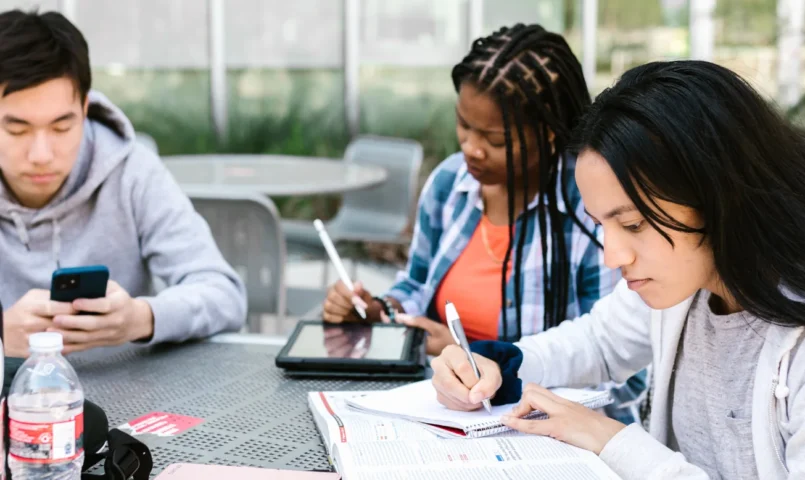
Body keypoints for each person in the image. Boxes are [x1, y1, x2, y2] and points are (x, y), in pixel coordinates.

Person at [430, 59, 805, 479]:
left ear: (718, 193)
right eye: (600, 225)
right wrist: (497, 367)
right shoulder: (689, 280)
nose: (613, 256)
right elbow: (600, 343)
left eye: (633, 224)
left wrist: (611, 440)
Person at [322, 23, 645, 424]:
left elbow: (617, 362)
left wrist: (479, 359)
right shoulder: (449, 185)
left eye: (494, 140)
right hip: (443, 411)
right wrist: (379, 311)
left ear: (548, 133)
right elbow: (418, 285)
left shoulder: (590, 208)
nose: (471, 149)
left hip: (546, 430)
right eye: (464, 125)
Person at [0, 10, 247, 358]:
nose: (41, 154)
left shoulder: (133, 172)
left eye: (61, 127)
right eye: (17, 130)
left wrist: (141, 319)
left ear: (84, 109)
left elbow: (225, 294)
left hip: (129, 386)